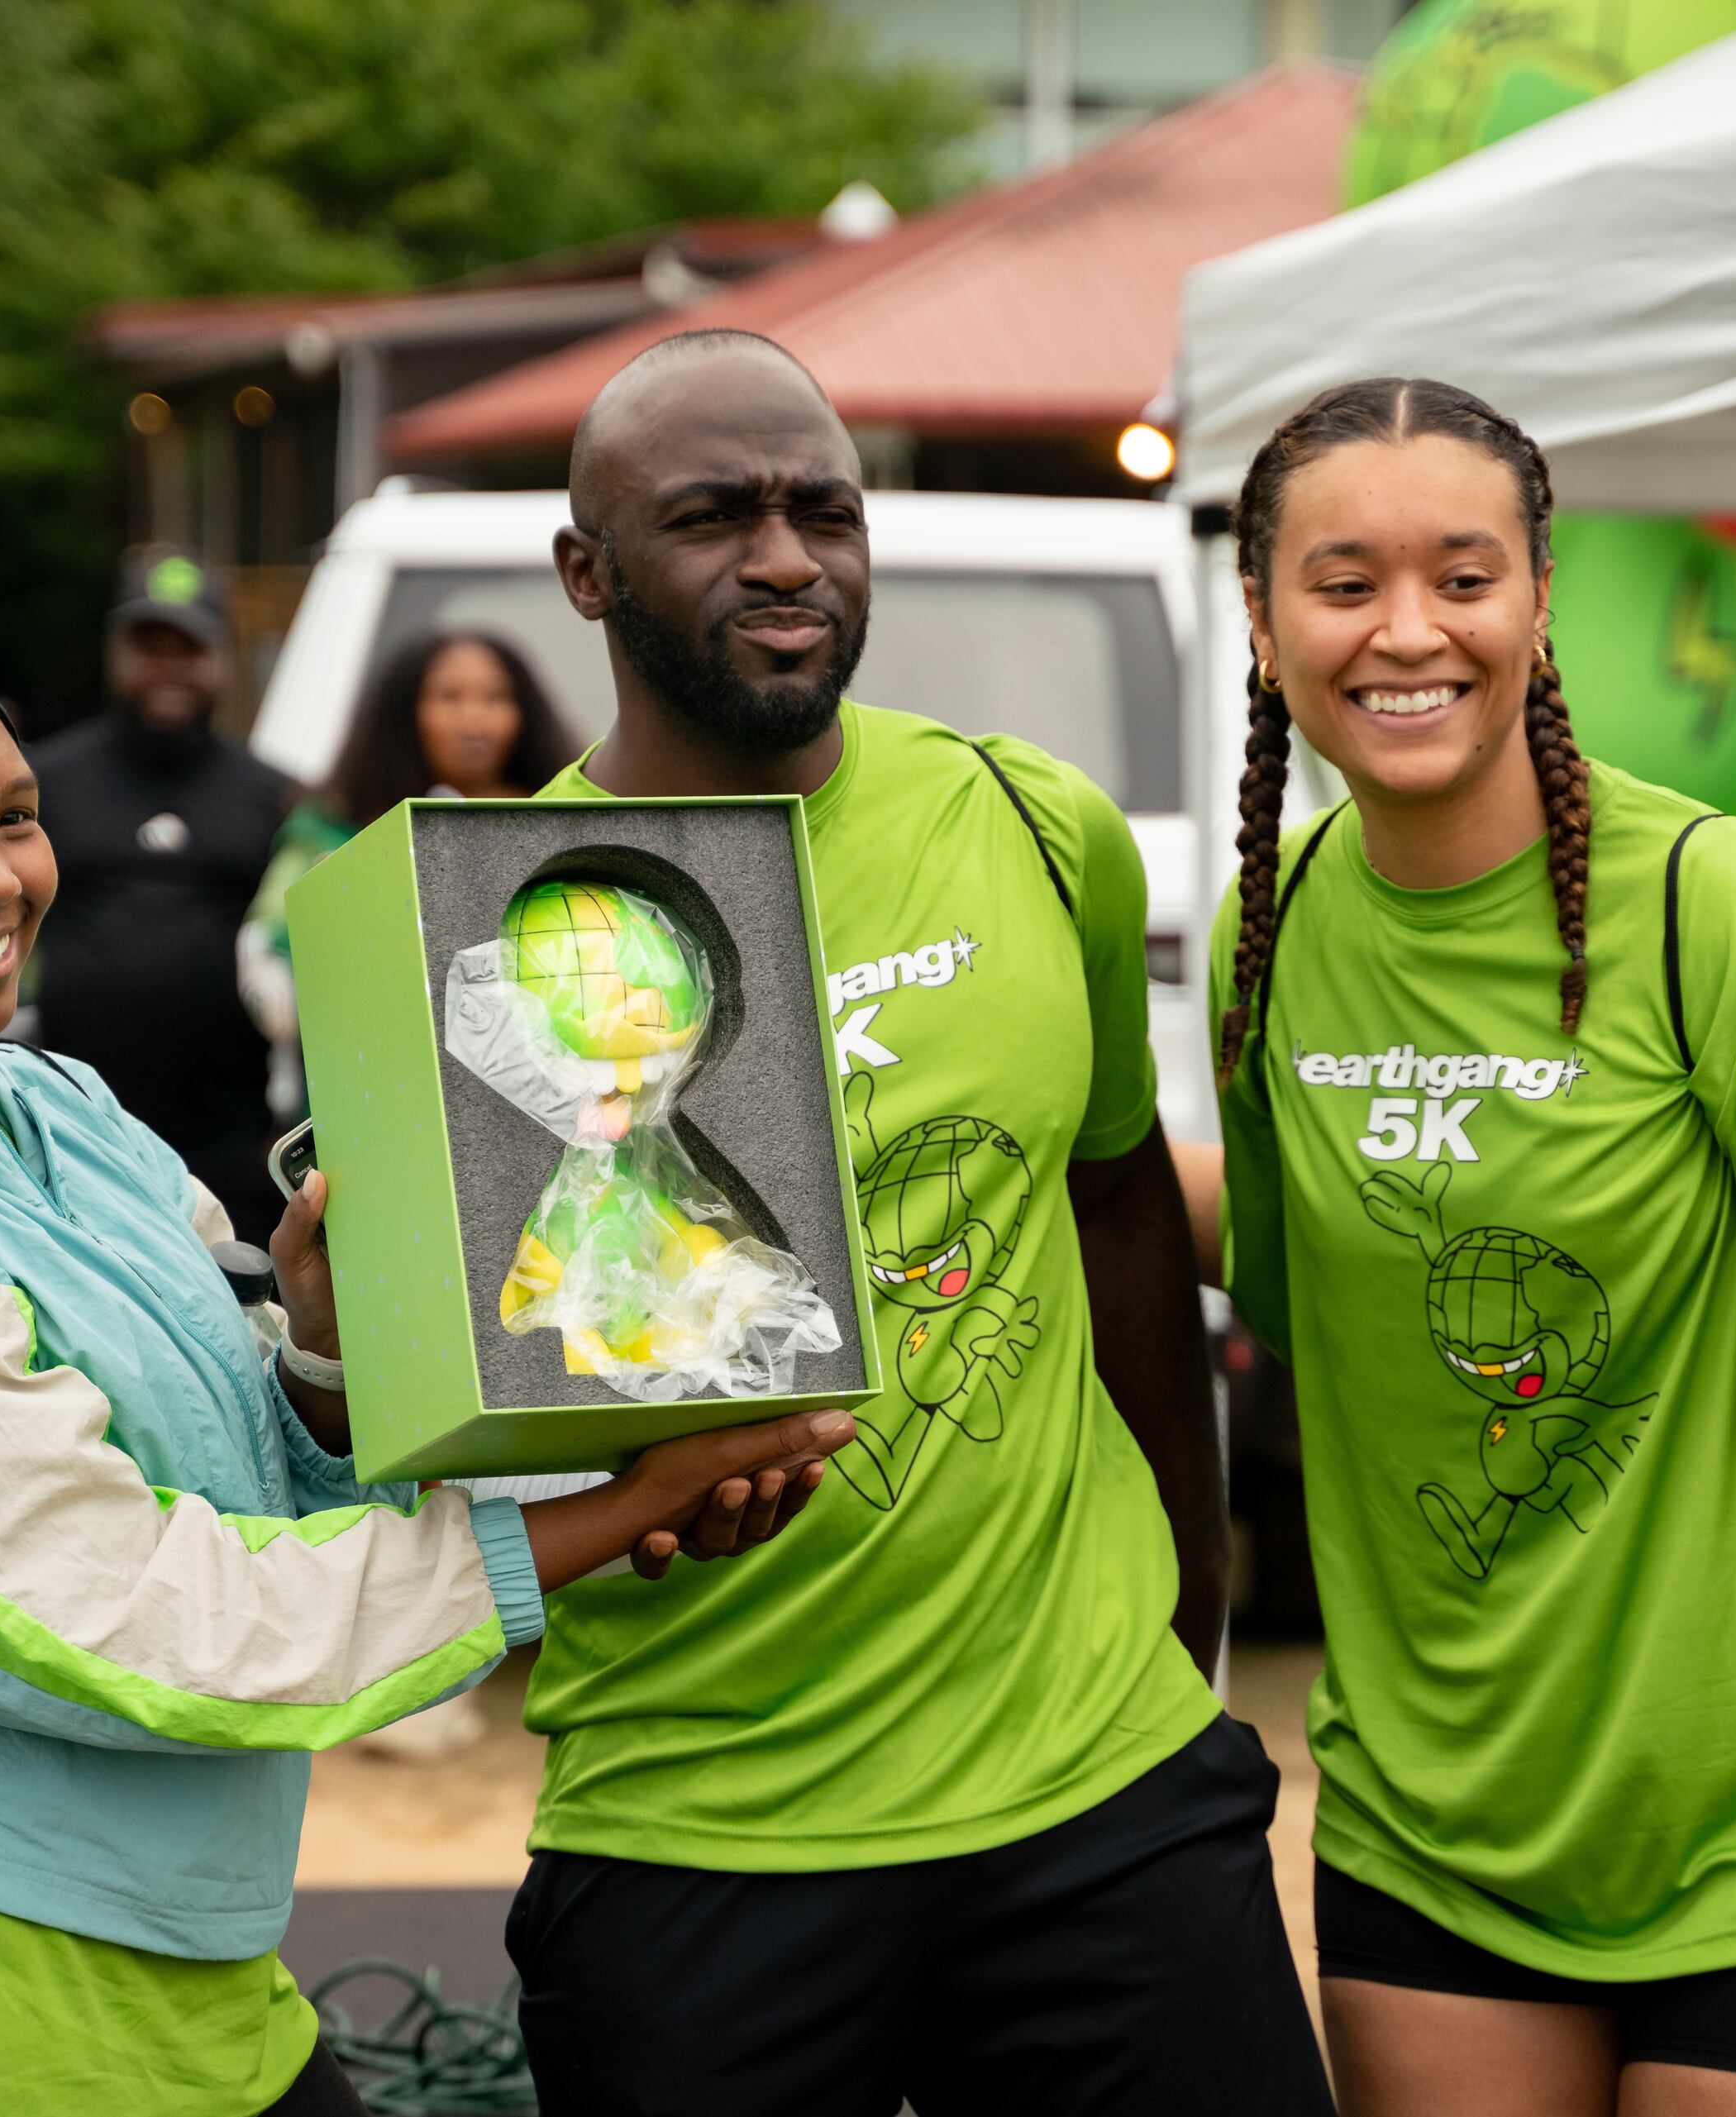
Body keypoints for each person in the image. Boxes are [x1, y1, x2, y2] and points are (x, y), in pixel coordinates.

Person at [0, 579, 855, 2117]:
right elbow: (142, 1612)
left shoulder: (53, 1112)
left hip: (194, 1959)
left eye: (12, 818)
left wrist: (326, 1363)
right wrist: (600, 1517)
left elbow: (239, 1474)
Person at [485, 327, 1316, 2117]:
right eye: (713, 516)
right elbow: (460, 1414)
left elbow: (1119, 1227)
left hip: (1103, 1786)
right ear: (587, 571)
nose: (787, 558)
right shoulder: (492, 929)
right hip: (703, 1812)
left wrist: (1183, 1639)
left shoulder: (1035, 823)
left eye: (825, 511)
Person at [1197, 377, 1736, 2115]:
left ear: (1539, 596)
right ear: (1267, 623)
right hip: (1430, 1836)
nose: (1408, 630)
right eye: (1344, 582)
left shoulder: (1729, 915)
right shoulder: (1267, 933)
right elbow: (1311, 1280)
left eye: (1463, 572)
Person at [28, 551, 296, 1234]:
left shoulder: (273, 794)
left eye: (191, 648)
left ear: (223, 657)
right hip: (70, 1133)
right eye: (150, 647)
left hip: (231, 1142)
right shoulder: (42, 782)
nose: (169, 668)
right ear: (115, 652)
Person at [238, 629, 580, 1118]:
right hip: (378, 1106)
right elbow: (271, 950)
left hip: (528, 1109)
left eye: (496, 697)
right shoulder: (333, 832)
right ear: (404, 714)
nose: (474, 717)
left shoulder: (561, 821)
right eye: (449, 697)